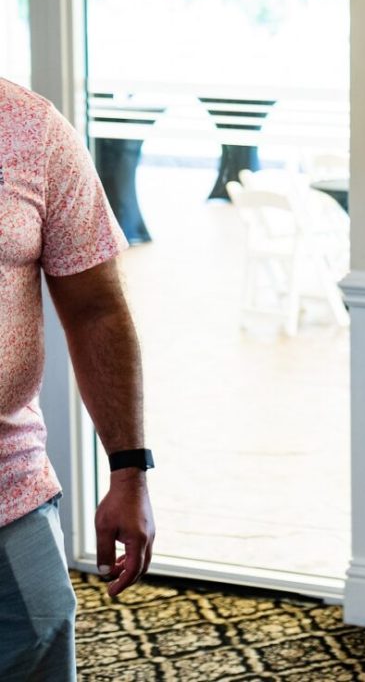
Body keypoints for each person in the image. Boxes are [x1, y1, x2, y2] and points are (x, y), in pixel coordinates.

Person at [0, 77, 156, 680]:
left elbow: (97, 311)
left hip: (9, 493)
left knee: (34, 652)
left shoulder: (31, 129)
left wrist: (130, 471)